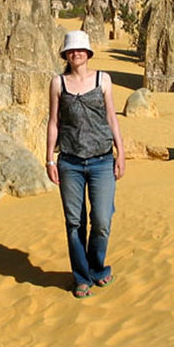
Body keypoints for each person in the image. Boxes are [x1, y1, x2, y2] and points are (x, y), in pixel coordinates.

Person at [46, 30, 126, 299]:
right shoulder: (58, 83)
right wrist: (49, 158)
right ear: (66, 55)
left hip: (102, 159)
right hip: (69, 161)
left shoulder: (103, 80)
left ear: (88, 53)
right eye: (71, 50)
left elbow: (113, 118)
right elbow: (54, 122)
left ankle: (96, 267)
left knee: (102, 220)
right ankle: (82, 277)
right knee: (74, 223)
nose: (76, 53)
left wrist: (121, 152)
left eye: (80, 50)